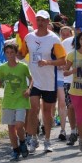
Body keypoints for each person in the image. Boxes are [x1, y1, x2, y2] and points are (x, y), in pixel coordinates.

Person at [18, 10, 66, 153]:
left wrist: (48, 62)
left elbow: (62, 60)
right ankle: (33, 138)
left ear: (47, 22)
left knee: (47, 112)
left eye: (43, 20)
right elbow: (22, 54)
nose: (40, 22)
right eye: (38, 20)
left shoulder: (54, 39)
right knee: (33, 109)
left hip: (49, 81)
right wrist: (15, 50)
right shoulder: (28, 37)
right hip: (34, 79)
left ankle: (47, 140)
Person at [0, 42, 33, 161]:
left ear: (16, 53)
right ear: (5, 54)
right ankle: (15, 150)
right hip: (8, 101)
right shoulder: (2, 68)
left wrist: (29, 89)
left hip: (21, 99)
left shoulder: (23, 67)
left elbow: (31, 79)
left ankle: (23, 142)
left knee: (19, 125)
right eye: (7, 53)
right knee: (11, 127)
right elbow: (0, 84)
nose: (10, 55)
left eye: (12, 52)